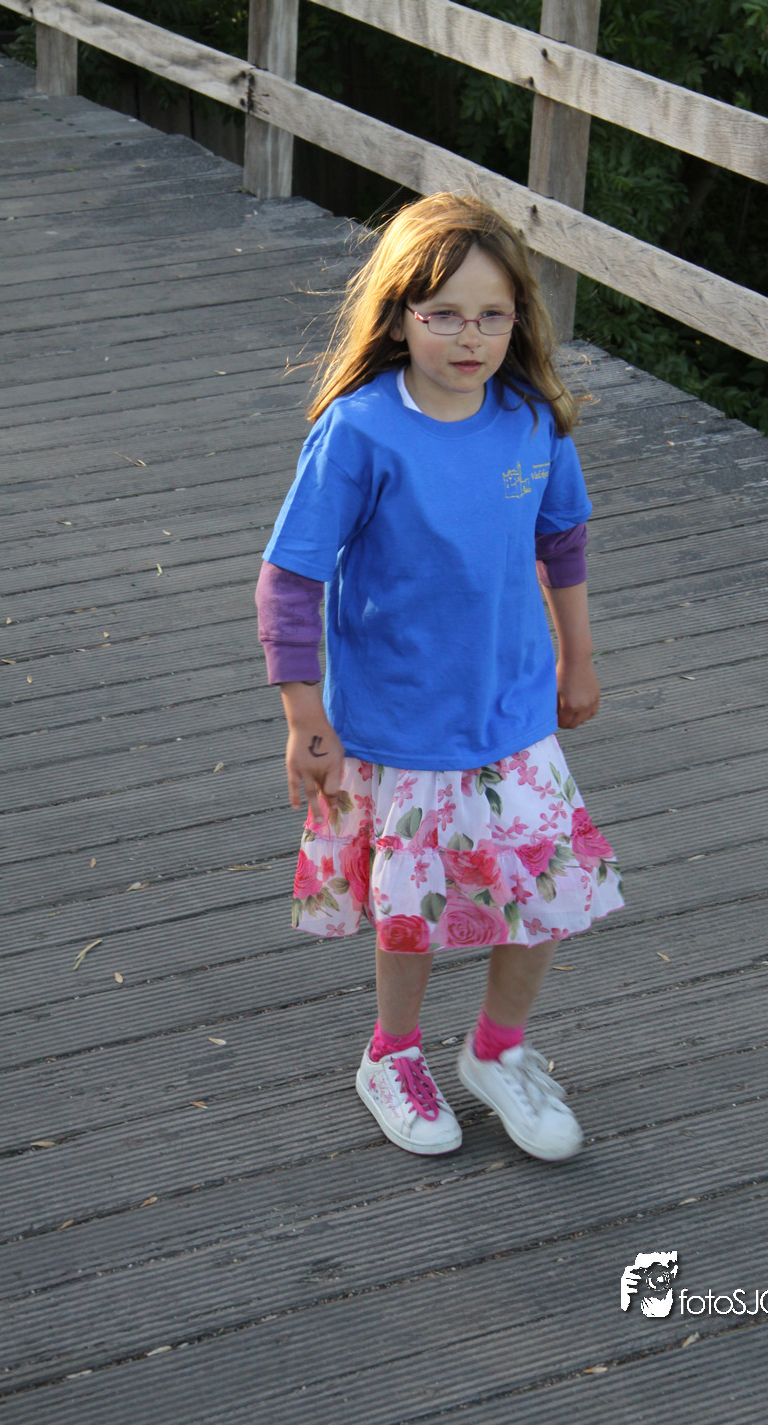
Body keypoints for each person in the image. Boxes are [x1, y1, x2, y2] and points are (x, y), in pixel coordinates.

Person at [256, 191, 623, 1162]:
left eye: (492, 314)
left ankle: (497, 1050)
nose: (470, 336)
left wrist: (578, 657)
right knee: (410, 911)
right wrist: (304, 716)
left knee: (543, 889)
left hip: (513, 713)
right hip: (400, 723)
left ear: (520, 319)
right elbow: (291, 578)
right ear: (398, 317)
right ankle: (393, 1053)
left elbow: (562, 538)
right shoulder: (360, 432)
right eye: (445, 314)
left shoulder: (531, 422)